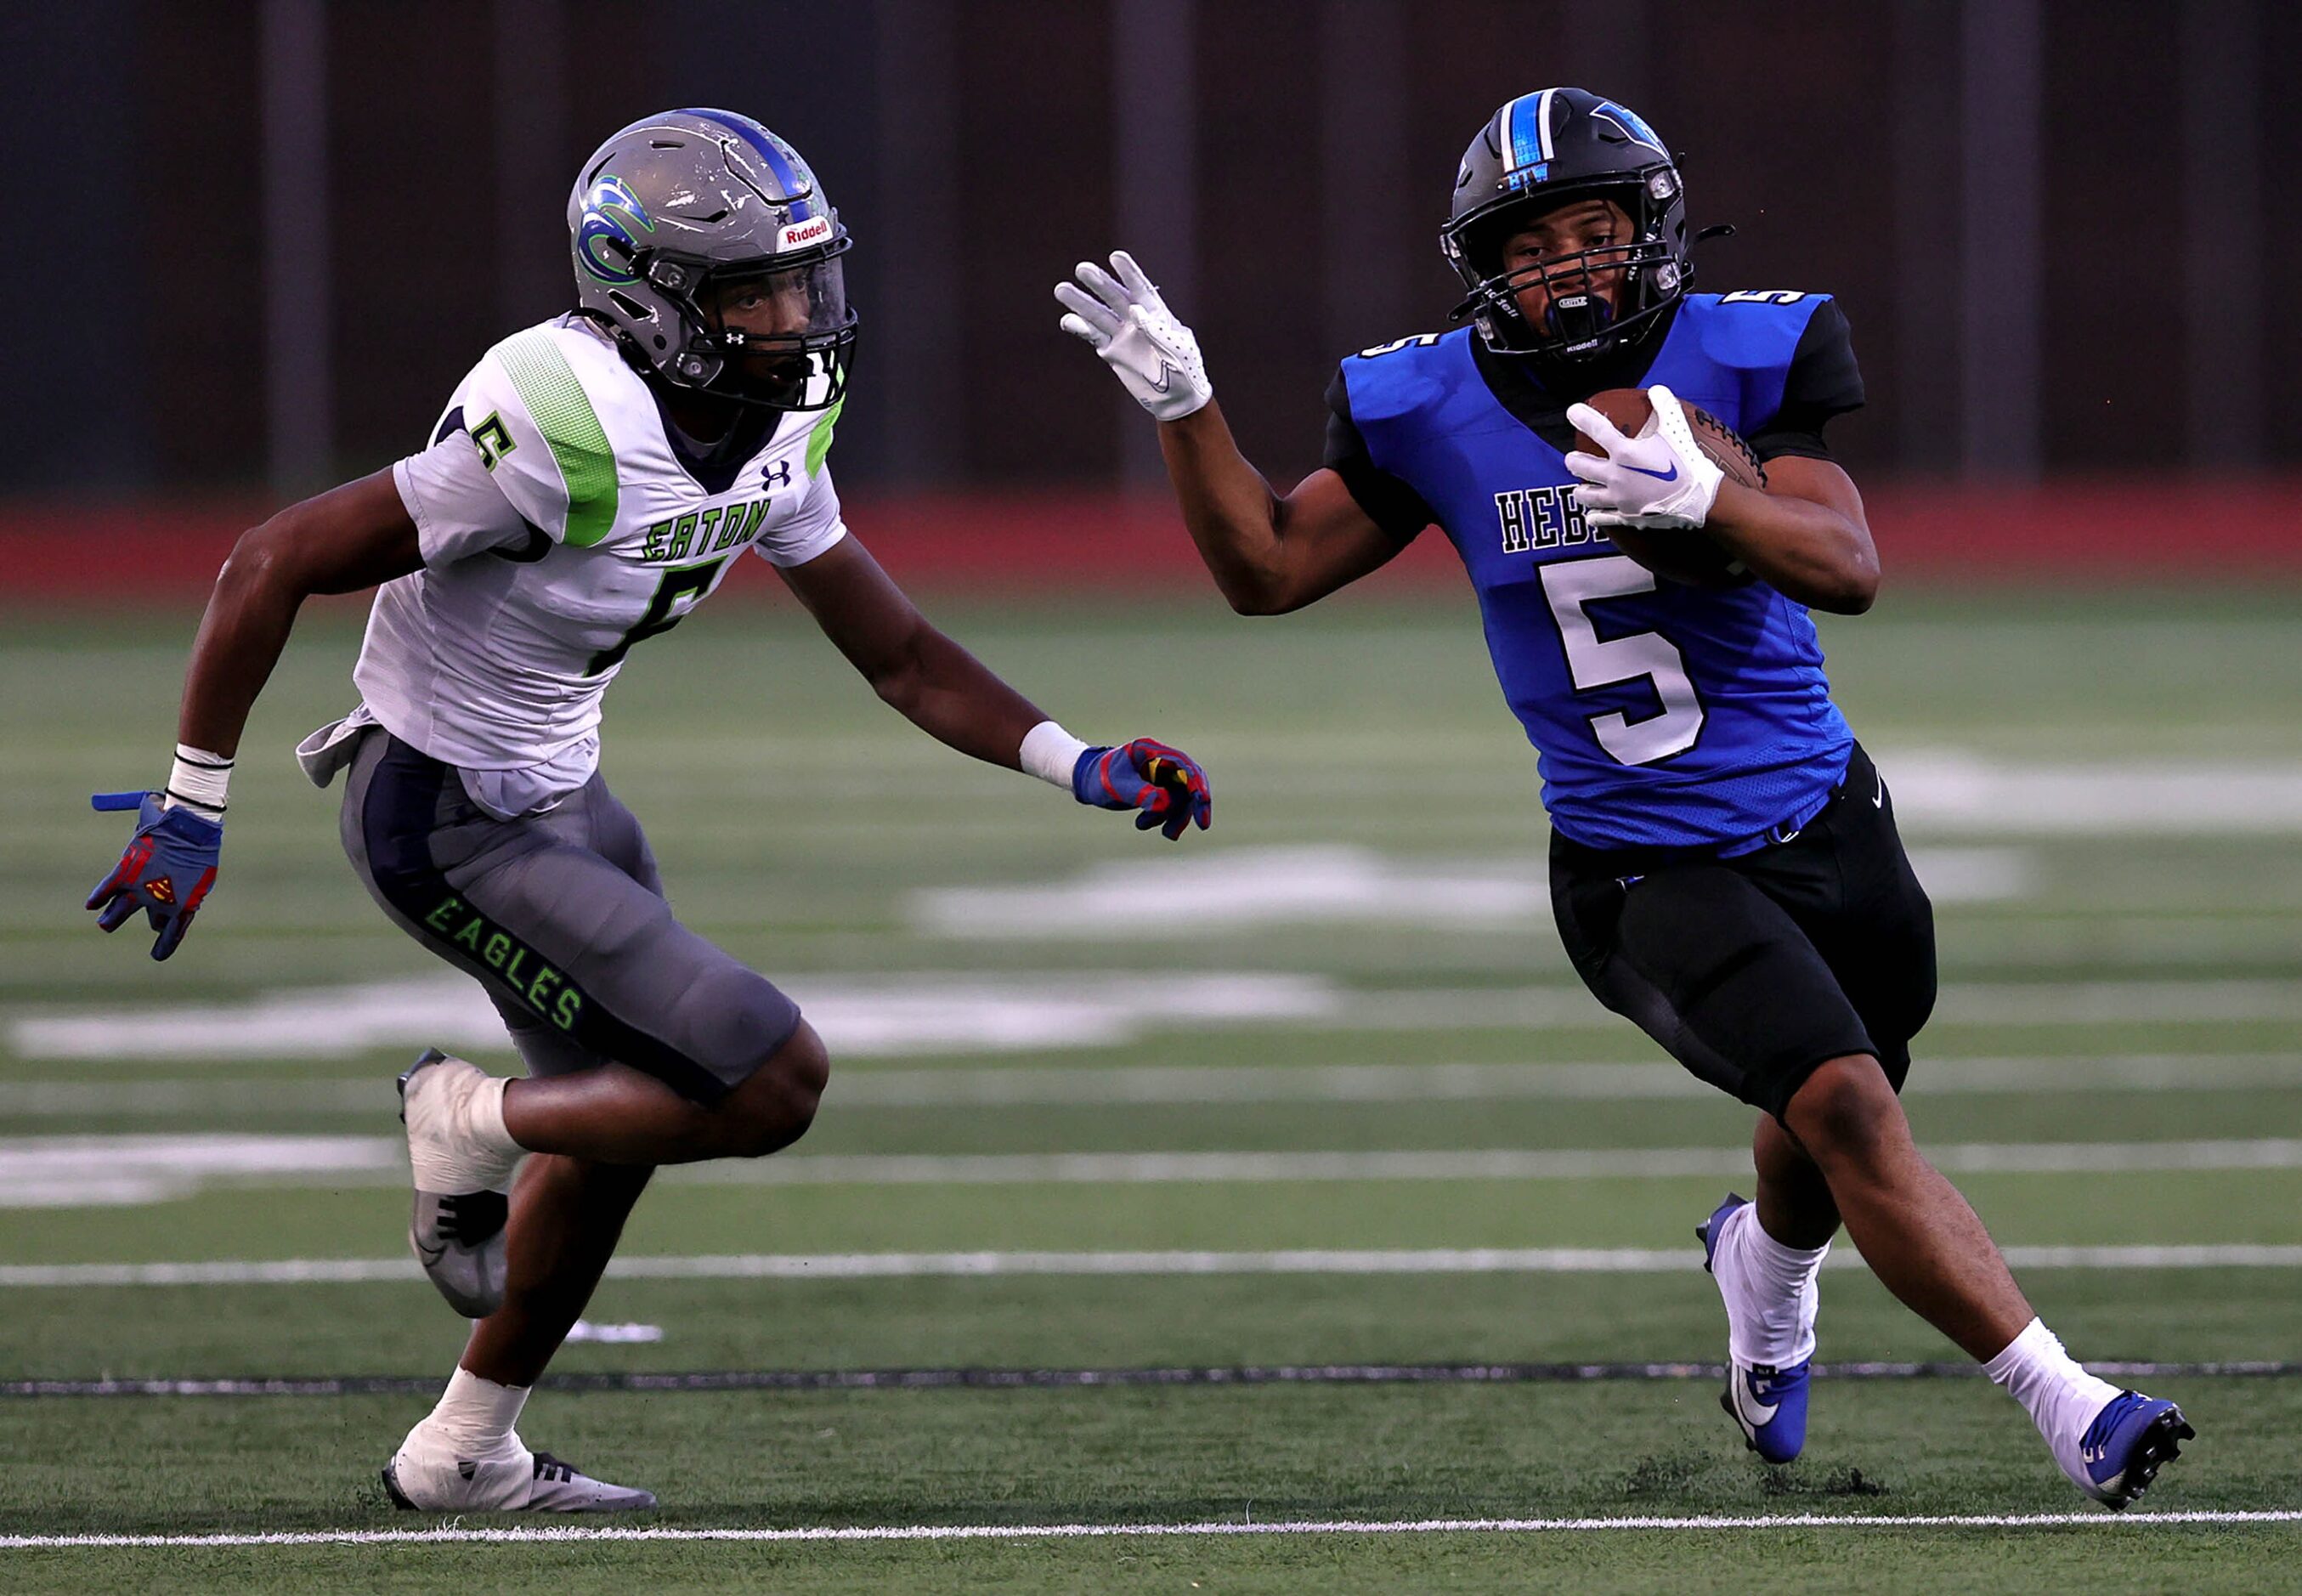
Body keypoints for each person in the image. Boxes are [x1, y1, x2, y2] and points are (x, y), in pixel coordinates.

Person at [1058, 86, 2189, 1508]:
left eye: (1588, 235)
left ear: (1650, 231)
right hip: (1638, 862)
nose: (1564, 271)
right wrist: (1187, 409)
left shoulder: (1750, 349)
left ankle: (1761, 1283)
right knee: (1842, 1102)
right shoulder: (1423, 402)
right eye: (1527, 251)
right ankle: (2070, 1403)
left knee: (1841, 1092)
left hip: (1828, 816)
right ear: (1482, 270)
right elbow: (1265, 570)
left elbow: (1847, 568)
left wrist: (1709, 501)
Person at [84, 107, 1213, 1514]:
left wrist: (1077, 759)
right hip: (441, 811)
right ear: (647, 298)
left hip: (565, 793)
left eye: (805, 280)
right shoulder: (555, 417)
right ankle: (464, 1115)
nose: (797, 318)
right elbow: (270, 560)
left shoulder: (776, 416)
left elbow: (902, 656)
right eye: (754, 291)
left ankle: (461, 1452)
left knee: (628, 1120)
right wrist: (195, 799)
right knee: (764, 1075)